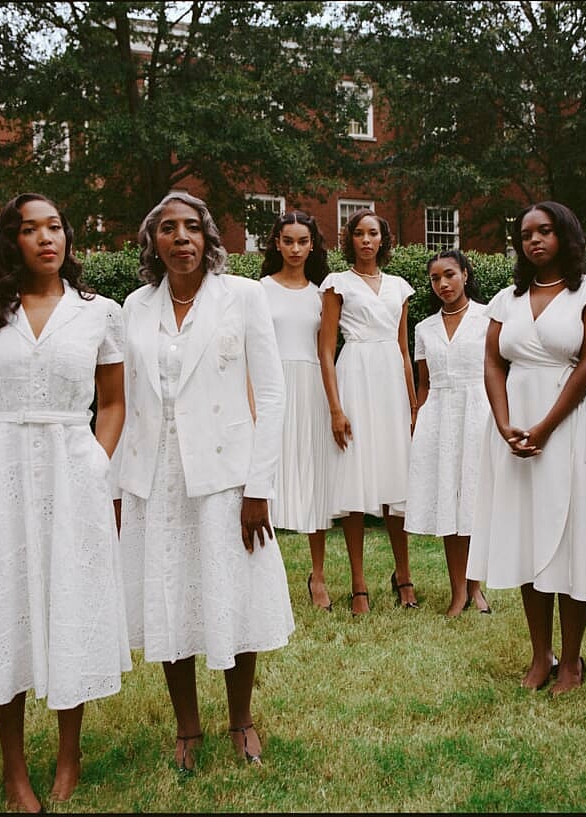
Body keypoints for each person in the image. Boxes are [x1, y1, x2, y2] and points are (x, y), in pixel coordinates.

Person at [0, 193, 130, 811]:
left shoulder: (99, 312)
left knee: (65, 601)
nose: (45, 239)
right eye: (31, 229)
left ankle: (69, 751)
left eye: (54, 227)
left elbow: (113, 403)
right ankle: (13, 766)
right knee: (8, 605)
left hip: (73, 470)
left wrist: (96, 464)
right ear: (11, 242)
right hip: (2, 472)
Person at [118, 192, 292, 775]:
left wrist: (258, 485)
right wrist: (121, 488)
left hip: (226, 475)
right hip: (158, 474)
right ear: (154, 242)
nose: (182, 237)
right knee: (173, 598)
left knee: (231, 595)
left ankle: (240, 719)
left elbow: (271, 393)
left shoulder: (242, 296)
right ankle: (186, 727)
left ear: (209, 237)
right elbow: (124, 403)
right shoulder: (134, 307)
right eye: (168, 228)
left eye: (192, 227)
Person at [467, 201, 586, 695]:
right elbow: (493, 363)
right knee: (525, 534)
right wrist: (504, 424)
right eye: (526, 234)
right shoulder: (505, 299)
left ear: (567, 235)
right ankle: (541, 654)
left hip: (575, 420)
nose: (534, 240)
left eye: (546, 231)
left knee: (574, 534)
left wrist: (546, 425)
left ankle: (573, 659)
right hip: (516, 425)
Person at [318, 209, 419, 616]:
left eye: (372, 233)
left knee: (396, 483)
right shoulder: (336, 285)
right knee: (355, 482)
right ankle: (358, 583)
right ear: (349, 240)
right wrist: (335, 407)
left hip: (390, 385)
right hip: (355, 378)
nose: (365, 240)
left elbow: (404, 350)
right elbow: (326, 350)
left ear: (383, 240)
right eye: (358, 233)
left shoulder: (399, 287)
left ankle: (404, 574)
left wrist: (413, 407)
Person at [404, 250, 492, 617]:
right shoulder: (424, 328)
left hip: (479, 413)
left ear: (466, 275)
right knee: (448, 505)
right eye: (436, 278)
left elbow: (497, 373)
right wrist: (417, 423)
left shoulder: (489, 318)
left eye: (450, 275)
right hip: (438, 416)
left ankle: (477, 589)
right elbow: (424, 384)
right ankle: (458, 591)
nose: (443, 284)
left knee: (474, 501)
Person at [259, 211, 335, 611]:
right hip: (271, 389)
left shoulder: (321, 295)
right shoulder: (258, 291)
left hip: (311, 389)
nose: (294, 249)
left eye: (302, 242)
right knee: (266, 480)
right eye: (287, 241)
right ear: (276, 243)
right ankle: (263, 576)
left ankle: (318, 576)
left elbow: (326, 352)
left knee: (313, 478)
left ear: (312, 246)